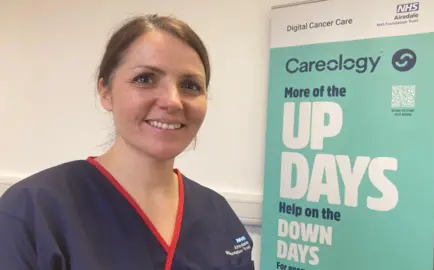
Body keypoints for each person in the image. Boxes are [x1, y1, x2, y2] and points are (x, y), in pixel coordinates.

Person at [0, 14, 255, 270]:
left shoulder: (218, 216)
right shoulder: (32, 211)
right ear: (106, 92)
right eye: (145, 79)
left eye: (190, 85)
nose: (173, 101)